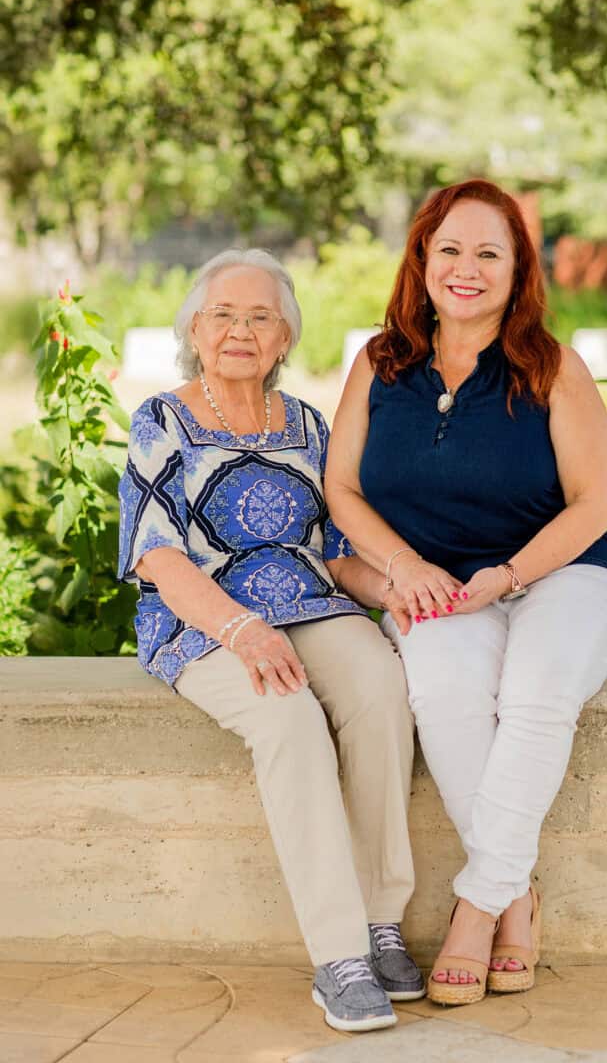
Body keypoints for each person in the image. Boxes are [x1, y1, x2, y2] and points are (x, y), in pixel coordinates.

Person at [325, 179, 607, 1007]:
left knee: (535, 696)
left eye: (488, 253)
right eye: (449, 248)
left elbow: (596, 503)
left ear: (517, 269)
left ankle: (475, 907)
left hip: (564, 575)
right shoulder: (380, 363)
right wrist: (406, 568)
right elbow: (342, 490)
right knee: (444, 694)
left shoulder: (551, 366)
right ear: (422, 258)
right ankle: (517, 895)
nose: (466, 268)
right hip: (438, 588)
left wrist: (510, 575)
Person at [117, 248, 425, 1033]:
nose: (240, 331)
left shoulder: (308, 425)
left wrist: (401, 593)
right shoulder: (162, 419)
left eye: (261, 317)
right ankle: (339, 956)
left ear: (285, 337)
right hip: (204, 620)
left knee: (381, 685)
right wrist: (242, 628)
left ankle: (381, 918)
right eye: (223, 314)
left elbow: (332, 550)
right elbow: (156, 555)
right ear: (195, 327)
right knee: (288, 717)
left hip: (312, 606)